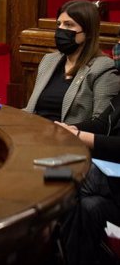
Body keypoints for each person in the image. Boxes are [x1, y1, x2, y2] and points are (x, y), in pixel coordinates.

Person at [24, 0, 119, 125]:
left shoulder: (102, 67)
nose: (61, 29)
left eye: (68, 25)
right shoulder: (49, 60)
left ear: (88, 32)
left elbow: (102, 122)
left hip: (70, 139)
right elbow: (31, 110)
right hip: (35, 133)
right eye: (59, 24)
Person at [55, 94, 120, 265]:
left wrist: (78, 136)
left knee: (60, 176)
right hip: (110, 175)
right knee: (89, 206)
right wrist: (69, 129)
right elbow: (103, 124)